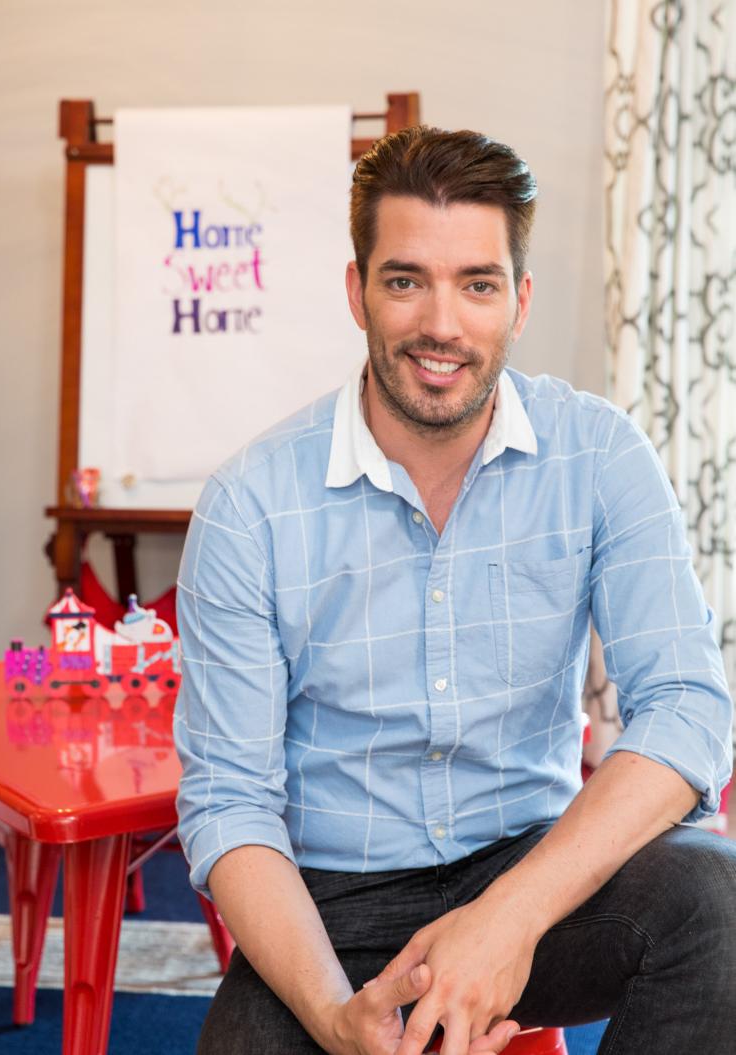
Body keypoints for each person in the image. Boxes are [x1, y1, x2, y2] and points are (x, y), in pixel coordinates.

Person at [174, 126, 736, 1055]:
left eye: (476, 284)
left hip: (534, 873)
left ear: (516, 300)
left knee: (718, 904)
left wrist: (506, 918)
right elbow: (230, 800)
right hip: (332, 909)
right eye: (405, 280)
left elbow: (685, 712)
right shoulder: (248, 505)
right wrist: (330, 1013)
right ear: (357, 293)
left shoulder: (597, 454)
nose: (442, 322)